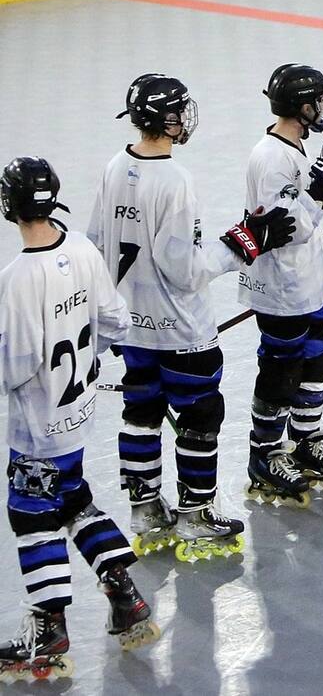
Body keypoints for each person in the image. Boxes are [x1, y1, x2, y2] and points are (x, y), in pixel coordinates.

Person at [88, 74, 294, 562]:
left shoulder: (115, 167)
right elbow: (186, 271)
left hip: (132, 327)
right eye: (180, 110)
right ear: (167, 120)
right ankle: (195, 514)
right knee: (201, 415)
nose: (186, 118)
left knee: (141, 412)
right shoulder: (175, 181)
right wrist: (246, 241)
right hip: (181, 330)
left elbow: (96, 245)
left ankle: (143, 510)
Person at [0, 157, 158, 681]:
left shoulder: (18, 278)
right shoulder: (82, 250)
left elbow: (18, 364)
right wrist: (90, 364)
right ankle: (126, 596)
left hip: (38, 426)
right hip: (77, 413)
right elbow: (112, 319)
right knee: (72, 498)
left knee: (31, 511)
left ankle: (49, 631)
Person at [240, 64, 323, 506]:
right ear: (302, 107)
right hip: (280, 288)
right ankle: (266, 454)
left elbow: (308, 223)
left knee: (316, 363)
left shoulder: (293, 149)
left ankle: (305, 443)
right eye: (318, 100)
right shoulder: (270, 158)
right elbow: (286, 227)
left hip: (309, 282)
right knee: (280, 370)